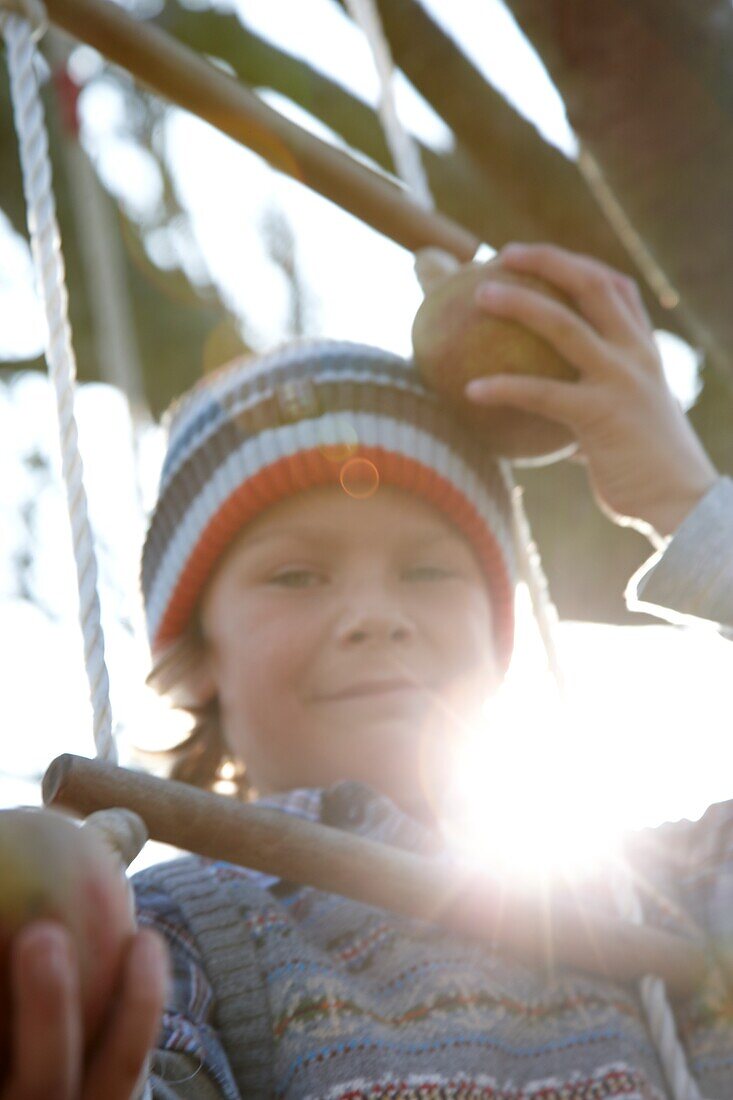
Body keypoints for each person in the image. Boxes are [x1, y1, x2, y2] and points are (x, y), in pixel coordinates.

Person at [4, 243, 733, 1099]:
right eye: (296, 576)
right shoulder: (174, 933)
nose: (374, 615)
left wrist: (683, 497)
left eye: (427, 572)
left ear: (499, 642)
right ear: (197, 662)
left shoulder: (678, 888)